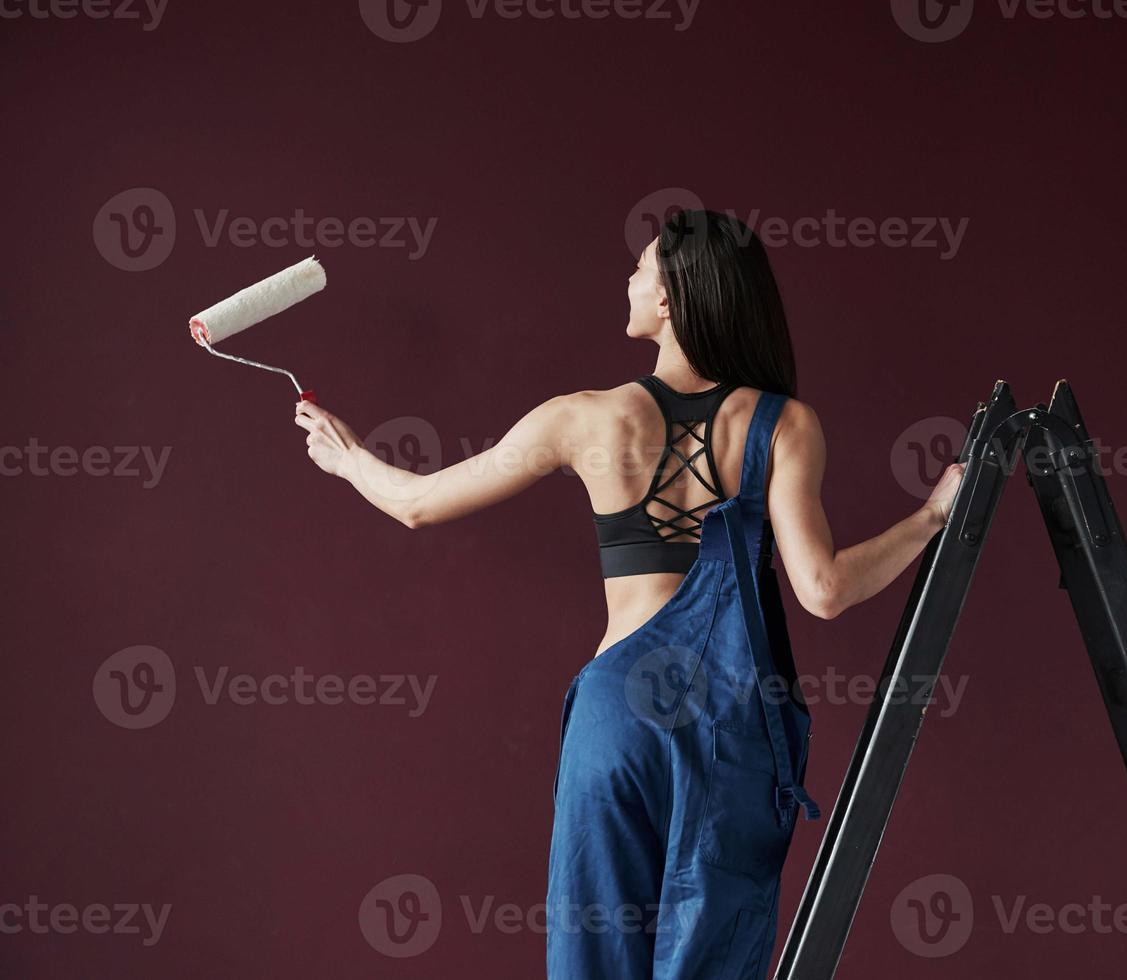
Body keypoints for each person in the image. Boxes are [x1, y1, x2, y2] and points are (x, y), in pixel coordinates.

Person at [294, 209, 965, 978]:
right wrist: (932, 515)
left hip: (618, 717)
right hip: (723, 726)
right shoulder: (782, 424)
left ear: (672, 297)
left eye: (642, 267)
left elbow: (415, 501)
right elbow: (823, 588)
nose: (630, 279)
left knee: (595, 950)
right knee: (710, 953)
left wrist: (348, 458)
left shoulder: (583, 417)